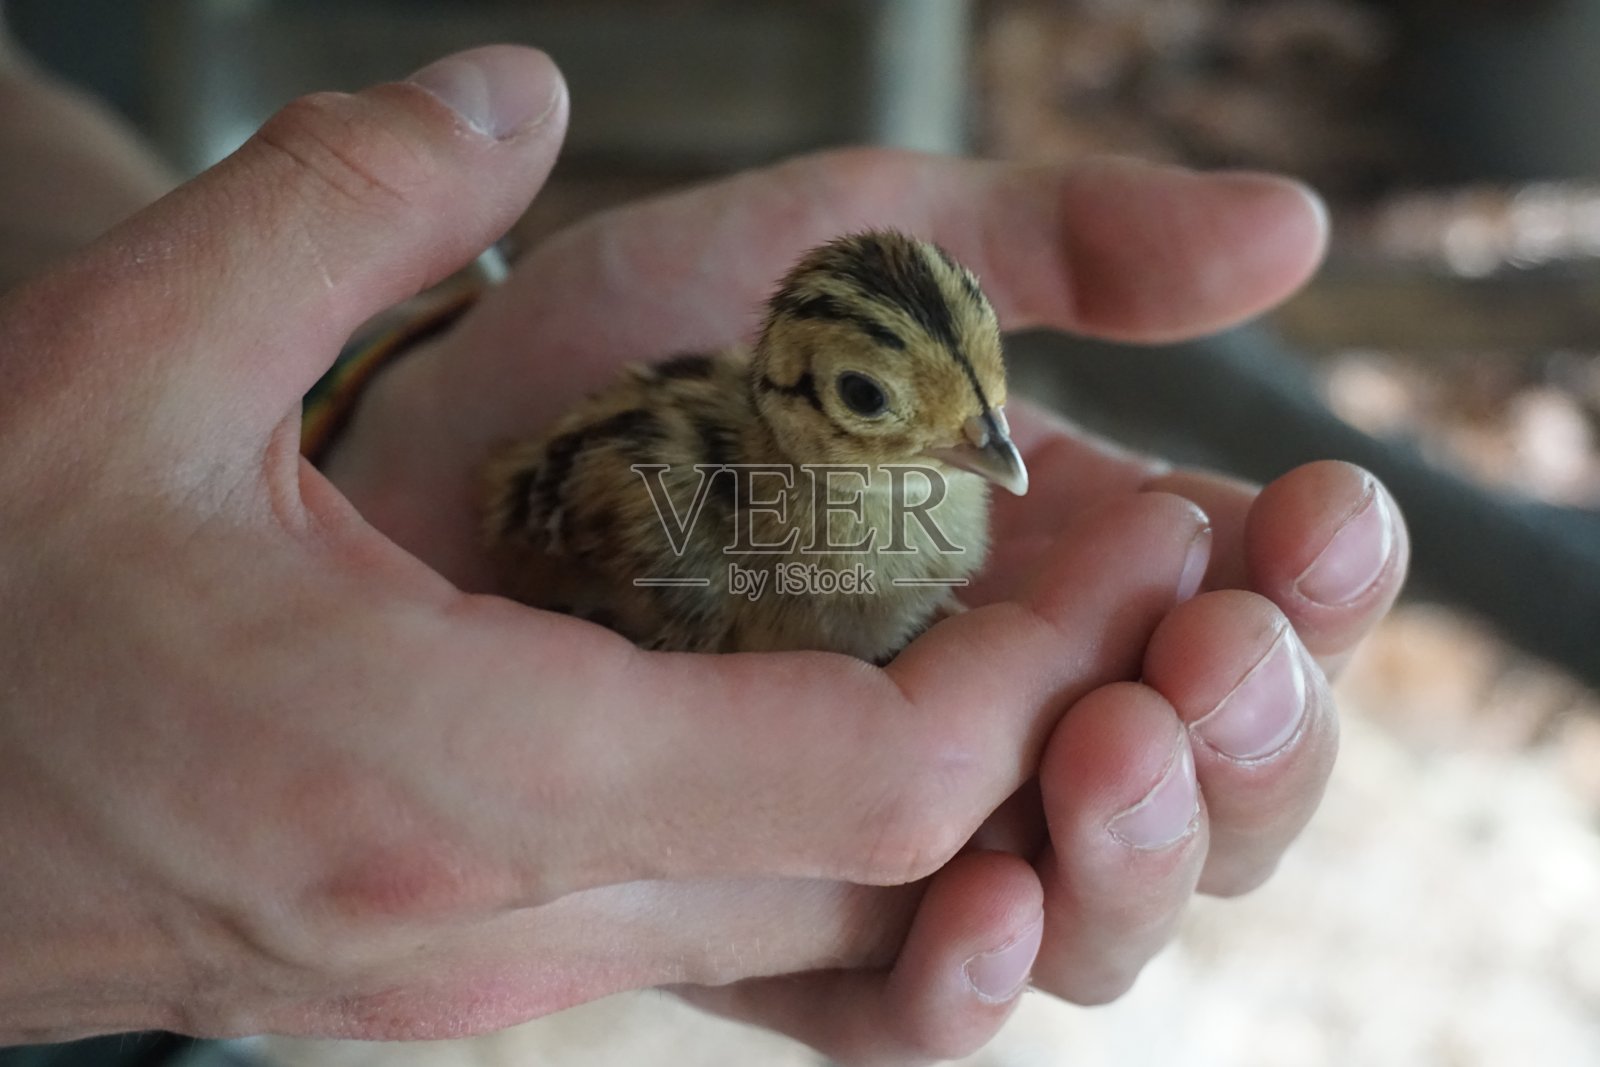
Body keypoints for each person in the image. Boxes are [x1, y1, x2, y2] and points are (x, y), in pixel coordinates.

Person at [0, 40, 1405, 1066]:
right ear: (792, 399)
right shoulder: (695, 543)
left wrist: (339, 382)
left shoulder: (890, 505)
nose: (983, 453)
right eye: (873, 408)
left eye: (971, 403)